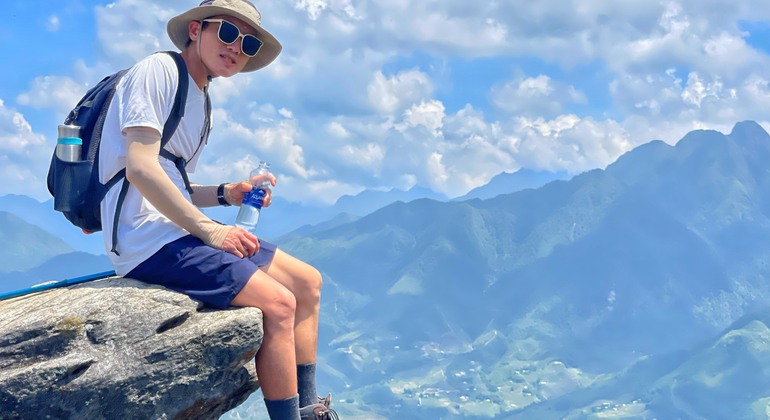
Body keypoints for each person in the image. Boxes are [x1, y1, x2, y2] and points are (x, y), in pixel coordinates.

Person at [96, 1, 336, 419]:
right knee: (279, 304)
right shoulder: (159, 72)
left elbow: (176, 184)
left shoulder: (199, 96)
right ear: (196, 29)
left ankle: (311, 407)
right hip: (146, 240)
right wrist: (212, 231)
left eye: (248, 43)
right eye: (228, 33)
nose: (237, 48)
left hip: (175, 230)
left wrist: (229, 193)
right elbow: (139, 168)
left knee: (307, 283)